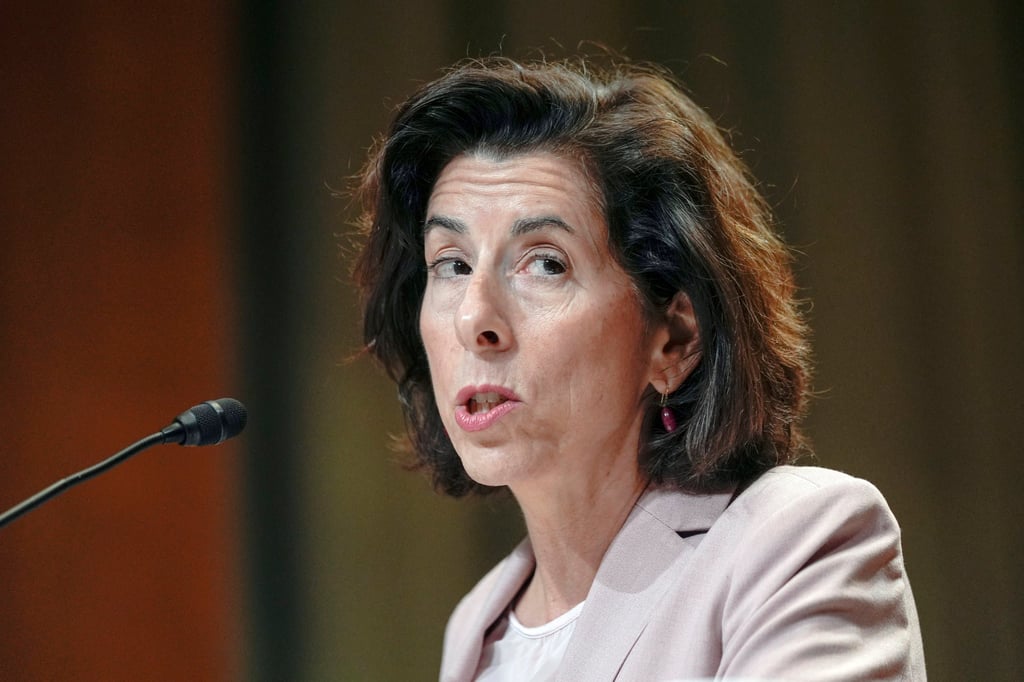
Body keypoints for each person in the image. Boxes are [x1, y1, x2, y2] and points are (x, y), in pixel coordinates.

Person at [354, 56, 926, 681]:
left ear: (673, 339)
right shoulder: (477, 628)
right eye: (452, 264)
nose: (475, 318)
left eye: (545, 263)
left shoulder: (794, 543)